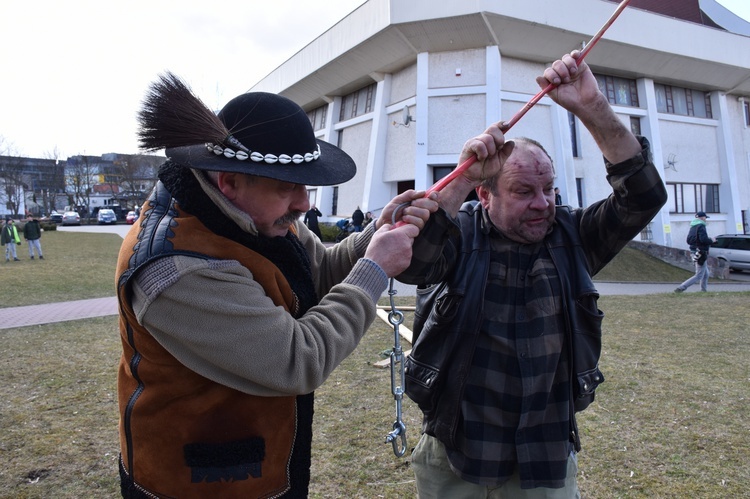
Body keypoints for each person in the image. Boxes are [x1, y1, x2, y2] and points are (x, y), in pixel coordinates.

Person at [116, 73, 437, 498]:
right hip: (197, 482)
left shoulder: (254, 217)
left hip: (256, 466)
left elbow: (317, 271)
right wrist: (374, 268)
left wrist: (375, 233)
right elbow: (297, 359)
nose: (304, 203)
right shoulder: (176, 269)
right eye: (288, 188)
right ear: (228, 181)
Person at [398, 50, 667, 496]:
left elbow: (642, 197)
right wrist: (460, 178)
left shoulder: (574, 235)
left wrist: (591, 106)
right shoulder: (459, 233)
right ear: (485, 195)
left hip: (544, 458)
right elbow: (416, 262)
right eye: (524, 191)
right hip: (456, 450)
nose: (543, 202)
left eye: (549, 188)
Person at [675, 211, 714, 293]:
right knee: (699, 275)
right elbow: (703, 240)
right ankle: (681, 288)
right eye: (705, 217)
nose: (706, 219)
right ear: (702, 218)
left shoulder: (693, 226)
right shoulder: (701, 226)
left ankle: (703, 291)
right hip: (701, 252)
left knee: (706, 273)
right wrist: (711, 240)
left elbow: (689, 240)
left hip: (694, 251)